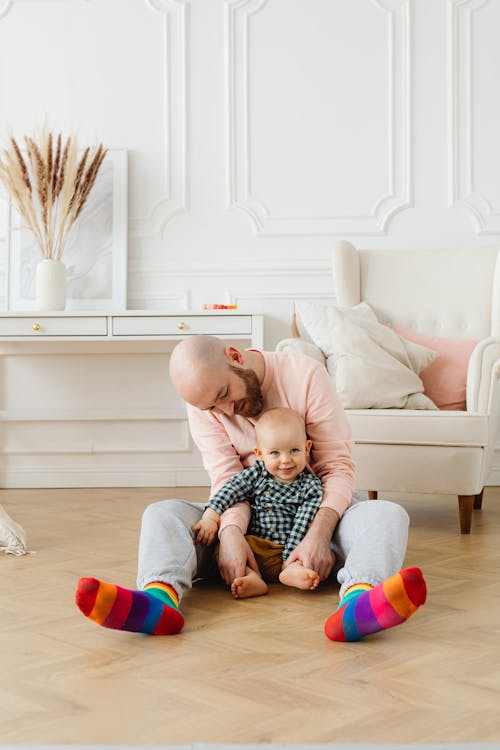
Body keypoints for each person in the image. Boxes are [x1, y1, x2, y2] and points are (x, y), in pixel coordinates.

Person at [75, 335, 426, 641]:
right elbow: (228, 480)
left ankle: (358, 605)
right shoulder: (204, 404)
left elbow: (336, 467)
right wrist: (230, 535)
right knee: (162, 513)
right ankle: (158, 600)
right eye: (213, 407)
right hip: (245, 523)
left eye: (225, 394)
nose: (227, 411)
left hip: (315, 516)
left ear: (236, 357)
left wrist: (318, 536)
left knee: (387, 515)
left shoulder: (304, 375)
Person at [192, 406, 323, 598]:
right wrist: (211, 516)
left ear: (307, 448)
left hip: (287, 548)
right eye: (275, 453)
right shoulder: (258, 473)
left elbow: (303, 524)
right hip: (254, 547)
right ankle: (251, 577)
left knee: (313, 553)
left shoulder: (310, 486)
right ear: (260, 454)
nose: (285, 460)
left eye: (294, 450)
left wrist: (289, 558)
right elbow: (231, 489)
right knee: (223, 548)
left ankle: (290, 572)